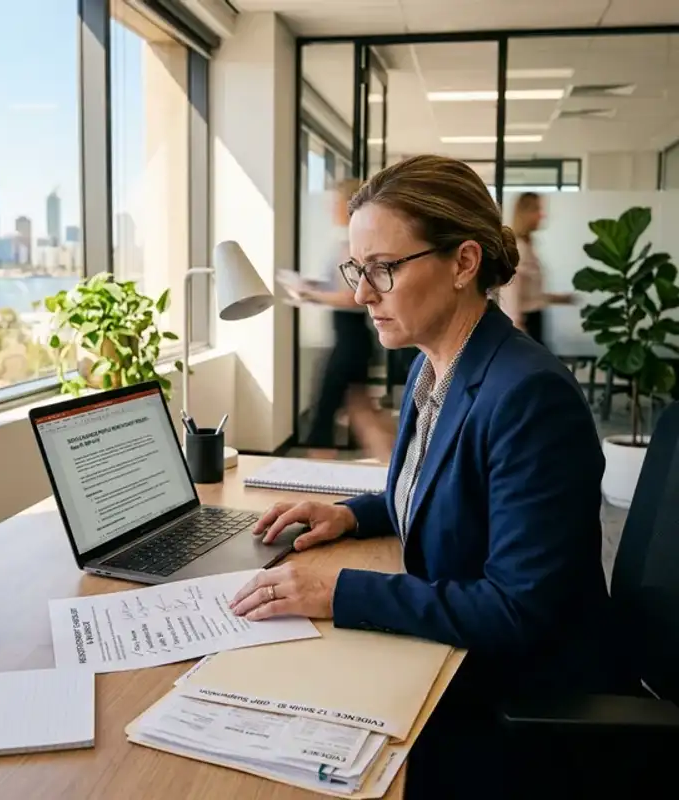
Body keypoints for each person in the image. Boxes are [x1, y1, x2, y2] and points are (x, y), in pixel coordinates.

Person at [229, 156, 632, 794]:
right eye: (357, 270)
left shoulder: (528, 395)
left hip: (511, 698)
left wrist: (340, 592)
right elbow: (443, 488)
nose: (363, 295)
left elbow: (516, 609)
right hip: (454, 658)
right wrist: (354, 513)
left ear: (464, 264)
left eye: (383, 269)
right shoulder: (432, 366)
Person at [294, 179, 392, 461]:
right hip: (351, 338)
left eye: (335, 201)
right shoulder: (346, 241)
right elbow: (341, 286)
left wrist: (312, 295)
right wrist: (313, 288)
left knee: (323, 418)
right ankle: (398, 470)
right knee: (362, 412)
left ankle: (319, 484)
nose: (330, 207)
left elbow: (354, 298)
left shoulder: (355, 245)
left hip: (350, 339)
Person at [498, 191, 573, 345]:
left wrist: (556, 298)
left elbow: (529, 291)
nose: (542, 215)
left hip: (534, 318)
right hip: (525, 322)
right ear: (524, 214)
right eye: (537, 210)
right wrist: (517, 329)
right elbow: (510, 288)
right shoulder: (519, 248)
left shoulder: (528, 246)